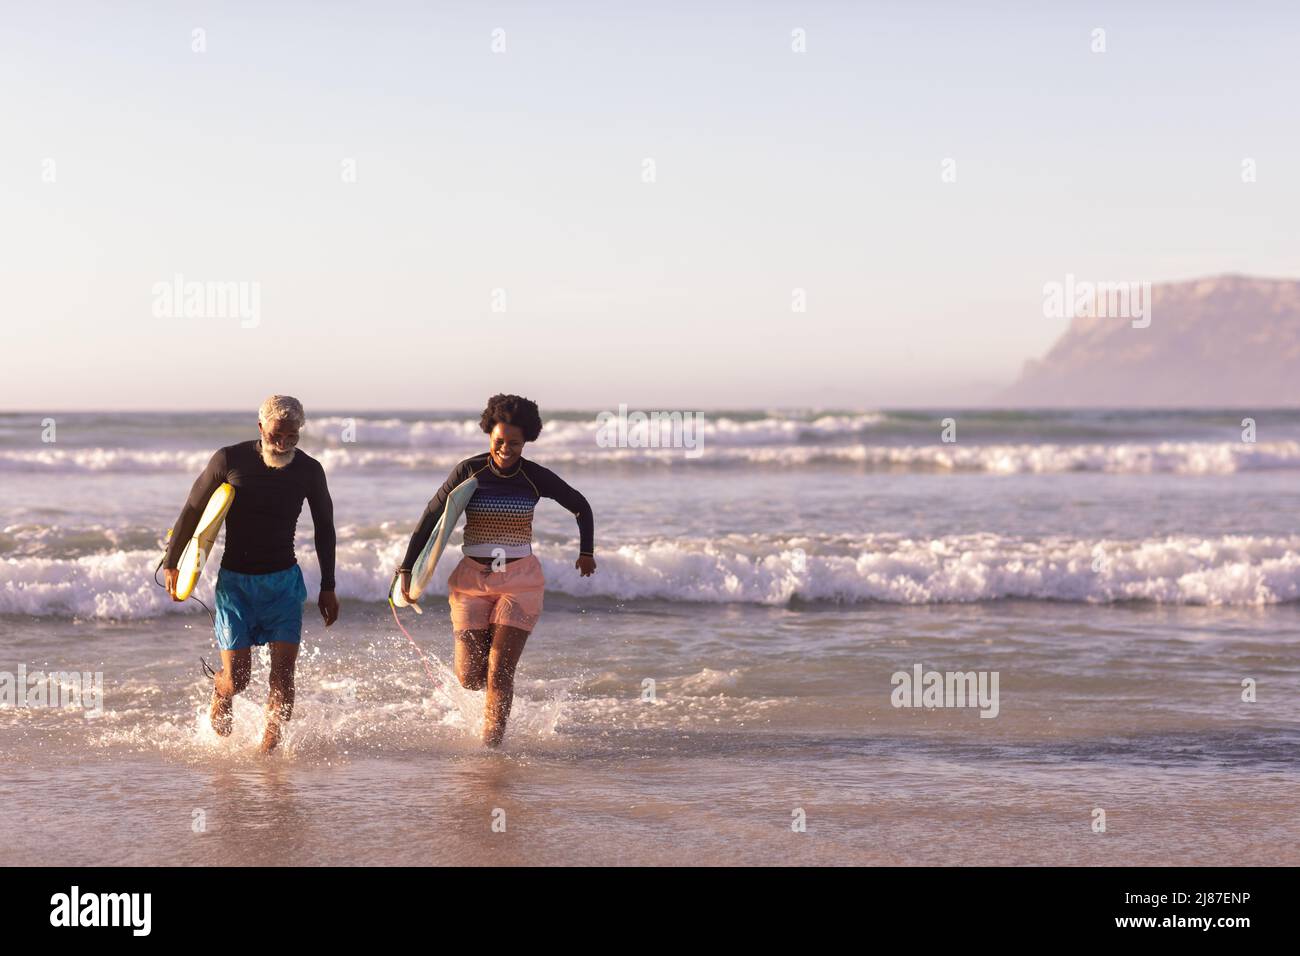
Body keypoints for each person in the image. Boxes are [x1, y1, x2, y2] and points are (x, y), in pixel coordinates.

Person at [398, 394, 595, 747]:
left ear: (527, 441)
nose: (505, 449)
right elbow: (431, 517)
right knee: (470, 677)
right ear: (489, 434)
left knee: (500, 670)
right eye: (499, 441)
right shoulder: (468, 471)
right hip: (472, 580)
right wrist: (407, 569)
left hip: (519, 581)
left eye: (515, 443)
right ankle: (494, 701)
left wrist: (586, 552)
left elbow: (580, 506)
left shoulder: (535, 478)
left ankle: (492, 754)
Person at [163, 395, 338, 753]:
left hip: (284, 585)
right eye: (277, 435)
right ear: (261, 428)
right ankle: (221, 689)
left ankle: (267, 755)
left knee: (283, 677)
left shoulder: (308, 470)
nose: (284, 443)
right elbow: (194, 509)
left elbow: (325, 528)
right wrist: (172, 562)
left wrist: (328, 586)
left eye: (292, 436)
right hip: (236, 585)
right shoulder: (229, 459)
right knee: (239, 678)